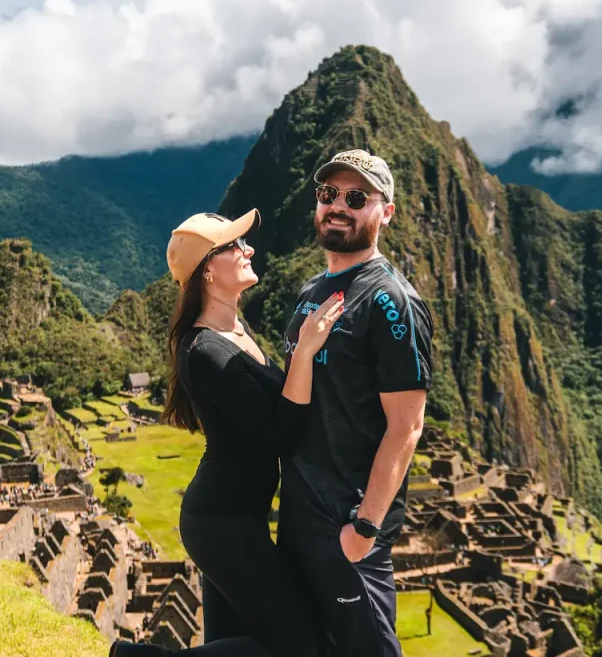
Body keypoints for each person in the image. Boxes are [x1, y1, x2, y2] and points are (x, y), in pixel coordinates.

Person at [110, 210, 343, 657]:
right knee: (301, 647)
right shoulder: (204, 353)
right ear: (208, 271)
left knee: (226, 644)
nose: (248, 249)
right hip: (222, 522)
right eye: (234, 245)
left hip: (240, 517)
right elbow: (281, 433)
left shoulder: (236, 332)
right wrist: (306, 352)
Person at [279, 149, 434, 657]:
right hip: (300, 515)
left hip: (347, 528)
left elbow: (407, 426)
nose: (338, 206)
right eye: (328, 195)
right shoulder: (311, 291)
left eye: (356, 197)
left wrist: (363, 529)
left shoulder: (391, 301)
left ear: (384, 211)